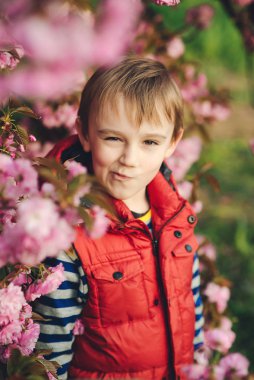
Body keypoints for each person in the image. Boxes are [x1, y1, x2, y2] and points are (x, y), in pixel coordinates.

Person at [34, 57, 204, 380]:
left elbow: (190, 307)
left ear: (172, 143)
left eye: (150, 142)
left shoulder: (176, 220)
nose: (130, 159)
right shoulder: (68, 239)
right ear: (84, 133)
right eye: (113, 138)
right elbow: (50, 357)